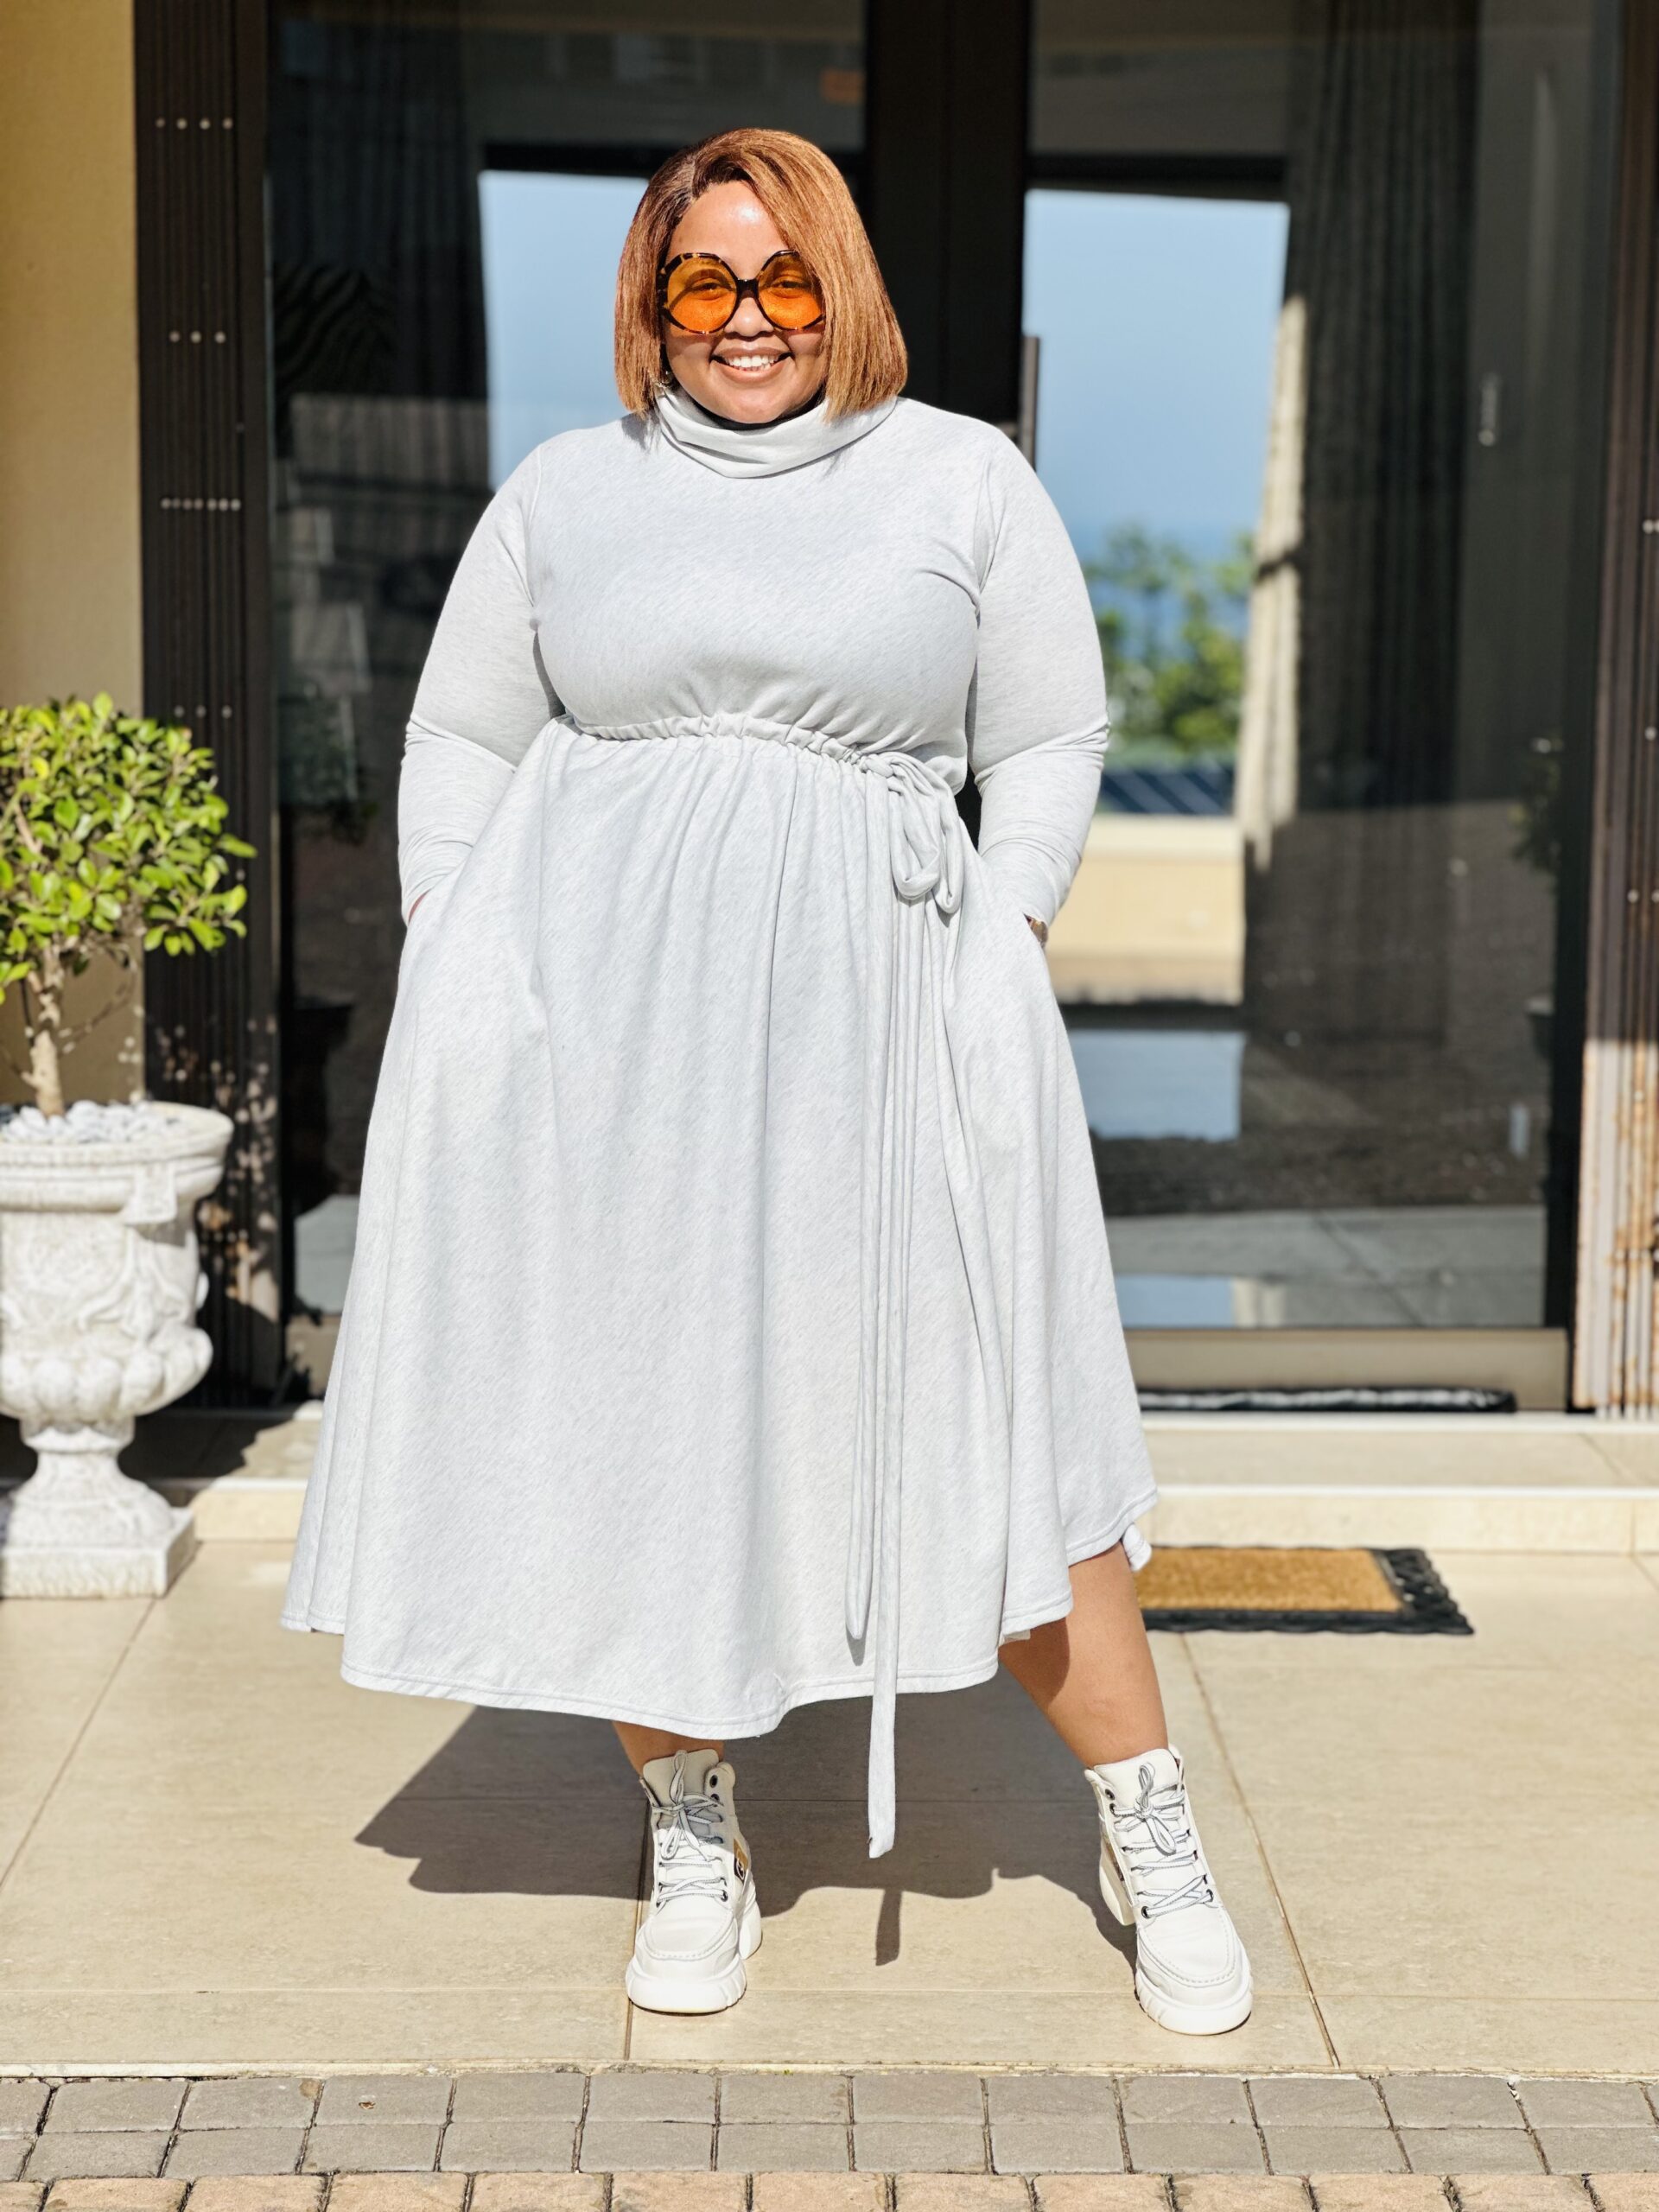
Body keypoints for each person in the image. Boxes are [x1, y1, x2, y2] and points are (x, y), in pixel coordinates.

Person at [282, 125, 1251, 2039]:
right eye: (704, 281)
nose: (747, 318)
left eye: (785, 277)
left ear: (843, 288)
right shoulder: (569, 492)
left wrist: (1002, 937)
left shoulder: (959, 477)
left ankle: (1151, 1826)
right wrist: (455, 944)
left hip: (894, 1017)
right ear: (653, 301)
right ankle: (693, 1826)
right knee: (655, 1423)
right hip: (613, 1043)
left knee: (1003, 1416)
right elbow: (462, 734)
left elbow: (1052, 732)